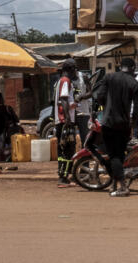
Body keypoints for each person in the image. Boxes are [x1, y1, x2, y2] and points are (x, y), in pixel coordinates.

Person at [92, 58, 138, 197]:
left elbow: (99, 96)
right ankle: (114, 185)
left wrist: (106, 106)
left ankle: (123, 187)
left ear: (121, 66)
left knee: (114, 156)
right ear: (132, 67)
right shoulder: (136, 84)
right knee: (119, 155)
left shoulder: (109, 77)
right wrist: (132, 124)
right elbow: (137, 109)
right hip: (124, 124)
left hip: (108, 122)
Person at [54, 59, 79, 187]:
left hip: (62, 120)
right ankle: (63, 177)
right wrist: (68, 117)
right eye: (75, 68)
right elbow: (63, 99)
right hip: (65, 121)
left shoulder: (60, 81)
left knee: (63, 148)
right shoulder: (65, 81)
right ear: (70, 69)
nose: (76, 71)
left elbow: (63, 101)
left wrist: (71, 105)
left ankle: (64, 176)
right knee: (67, 148)